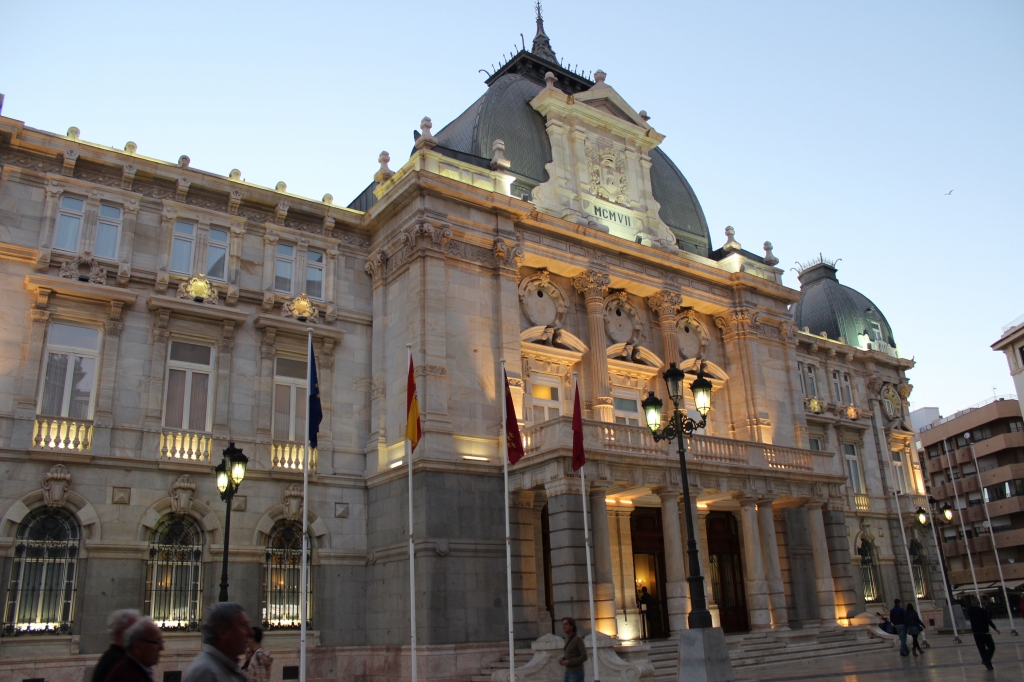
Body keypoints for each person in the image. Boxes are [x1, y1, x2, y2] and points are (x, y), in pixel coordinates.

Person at [183, 602, 252, 682]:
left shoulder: (225, 667)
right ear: (223, 632)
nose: (250, 633)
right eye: (243, 626)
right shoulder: (206, 673)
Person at [105, 617, 164, 682]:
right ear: (138, 646)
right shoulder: (128, 676)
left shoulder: (135, 670)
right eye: (156, 642)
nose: (162, 648)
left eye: (161, 642)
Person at [93, 609, 141, 682]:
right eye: (134, 630)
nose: (139, 635)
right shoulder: (118, 663)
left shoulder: (112, 657)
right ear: (119, 632)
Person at [966, 598, 1000, 670]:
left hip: (975, 632)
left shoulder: (969, 611)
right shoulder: (982, 610)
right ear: (978, 603)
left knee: (981, 648)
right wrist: (995, 628)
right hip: (984, 631)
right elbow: (988, 620)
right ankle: (985, 660)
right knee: (991, 646)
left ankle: (988, 665)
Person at [557, 616, 587, 682]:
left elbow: (584, 656)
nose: (564, 626)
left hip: (576, 672)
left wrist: (570, 662)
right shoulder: (566, 638)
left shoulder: (578, 639)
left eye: (566, 624)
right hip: (567, 672)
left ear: (572, 626)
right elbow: (570, 654)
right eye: (563, 624)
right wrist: (562, 659)